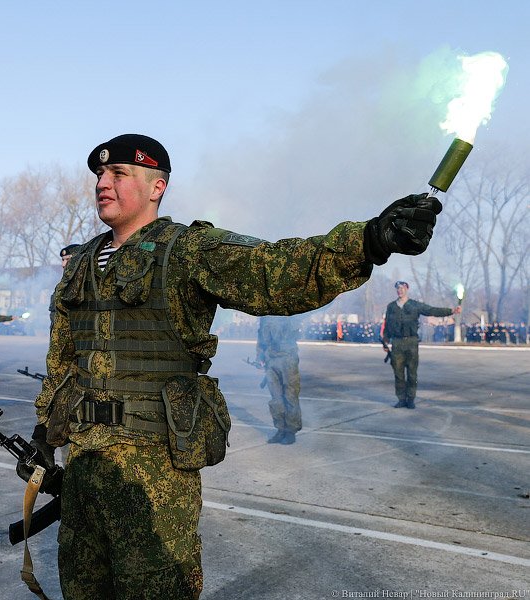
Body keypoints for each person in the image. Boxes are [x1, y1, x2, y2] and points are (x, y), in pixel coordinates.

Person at [23, 133, 442, 599]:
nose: (104, 182)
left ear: (157, 187)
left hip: (154, 471)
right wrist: (46, 431)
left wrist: (369, 239)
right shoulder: (81, 262)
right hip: (81, 464)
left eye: (119, 173)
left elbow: (274, 269)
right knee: (81, 588)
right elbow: (62, 358)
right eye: (100, 174)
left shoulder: (187, 250)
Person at [381, 281, 460, 409]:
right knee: (398, 373)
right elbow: (387, 325)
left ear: (407, 289)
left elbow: (431, 310)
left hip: (411, 342)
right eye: (398, 288)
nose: (400, 290)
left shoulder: (414, 305)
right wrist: (385, 341)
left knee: (412, 373)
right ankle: (401, 399)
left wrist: (451, 311)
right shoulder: (391, 307)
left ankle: (411, 399)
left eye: (402, 288)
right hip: (397, 343)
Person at [255, 315, 301, 445]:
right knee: (276, 399)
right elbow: (261, 338)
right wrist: (259, 357)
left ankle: (290, 431)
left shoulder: (290, 313)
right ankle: (280, 429)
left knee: (290, 396)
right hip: (271, 361)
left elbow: (296, 329)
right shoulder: (265, 317)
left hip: (288, 359)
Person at [50, 244, 81, 330]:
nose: (63, 264)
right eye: (63, 260)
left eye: (68, 259)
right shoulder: (61, 286)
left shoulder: (88, 283)